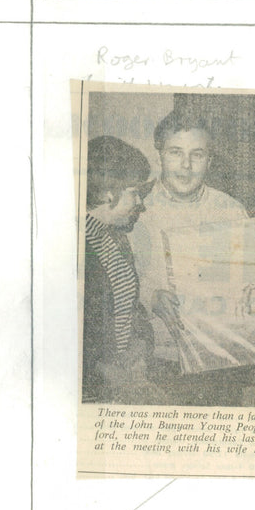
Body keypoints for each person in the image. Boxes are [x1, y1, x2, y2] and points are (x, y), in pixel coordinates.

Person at [129, 109, 248, 362]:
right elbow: (107, 283)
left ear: (210, 161)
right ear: (159, 156)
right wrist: (150, 297)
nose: (186, 165)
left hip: (221, 354)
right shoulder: (133, 210)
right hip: (157, 355)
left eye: (197, 154)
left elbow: (250, 280)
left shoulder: (232, 211)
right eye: (175, 152)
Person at [82, 136, 165, 404]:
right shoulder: (72, 245)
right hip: (93, 389)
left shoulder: (116, 237)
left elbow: (130, 307)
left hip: (125, 378)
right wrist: (107, 373)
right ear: (108, 192)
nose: (141, 203)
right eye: (135, 193)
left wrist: (140, 349)